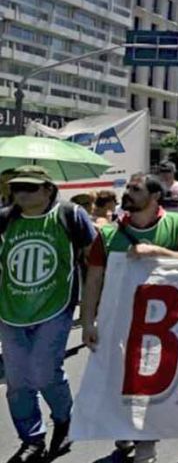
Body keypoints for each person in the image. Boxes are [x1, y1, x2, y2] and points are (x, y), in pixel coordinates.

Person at [84, 173, 178, 463]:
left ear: (155, 196)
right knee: (121, 379)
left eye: (136, 189)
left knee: (151, 383)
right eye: (128, 189)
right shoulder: (108, 234)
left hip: (165, 325)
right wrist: (87, 322)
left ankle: (146, 444)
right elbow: (94, 280)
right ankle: (126, 426)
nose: (128, 193)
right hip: (119, 323)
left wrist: (155, 251)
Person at [0, 166, 99, 463]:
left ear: (47, 189)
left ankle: (64, 418)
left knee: (44, 372)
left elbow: (95, 258)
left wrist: (92, 310)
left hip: (55, 308)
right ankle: (31, 438)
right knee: (17, 381)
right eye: (16, 187)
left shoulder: (69, 215)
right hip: (11, 311)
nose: (21, 193)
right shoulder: (5, 220)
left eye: (29, 188)